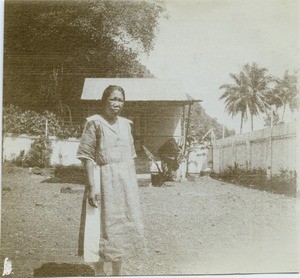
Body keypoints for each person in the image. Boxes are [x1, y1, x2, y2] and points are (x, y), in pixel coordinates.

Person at [76, 85, 146, 276]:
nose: (116, 104)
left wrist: (132, 187)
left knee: (122, 227)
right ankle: (99, 273)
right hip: (101, 180)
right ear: (104, 101)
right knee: (97, 228)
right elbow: (87, 157)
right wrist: (92, 187)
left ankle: (117, 273)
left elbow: (131, 157)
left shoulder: (126, 125)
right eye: (113, 99)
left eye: (120, 100)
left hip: (124, 184)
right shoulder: (94, 123)